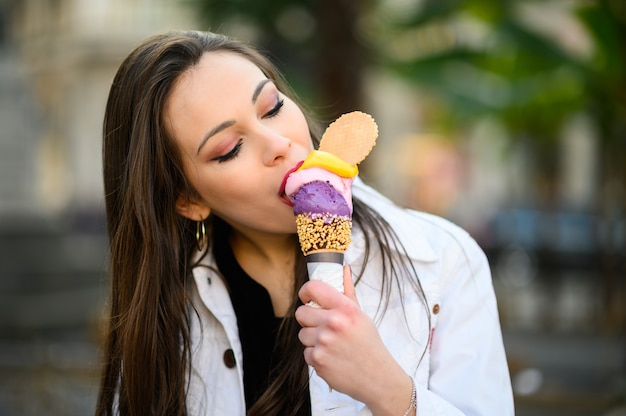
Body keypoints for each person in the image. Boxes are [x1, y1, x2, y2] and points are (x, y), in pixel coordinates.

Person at [96, 30, 514, 416]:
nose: (279, 144)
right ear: (187, 200)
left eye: (272, 107)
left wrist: (390, 392)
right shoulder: (167, 309)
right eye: (229, 148)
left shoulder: (442, 260)